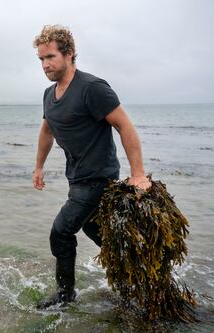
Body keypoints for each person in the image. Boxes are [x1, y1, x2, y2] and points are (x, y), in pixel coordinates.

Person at [32, 25, 152, 309]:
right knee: (95, 231)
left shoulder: (92, 88)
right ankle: (137, 274)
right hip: (76, 178)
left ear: (69, 54)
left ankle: (65, 295)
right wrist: (38, 167)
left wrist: (138, 174)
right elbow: (47, 131)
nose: (45, 64)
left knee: (61, 231)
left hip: (98, 178)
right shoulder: (49, 95)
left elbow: (125, 126)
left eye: (50, 56)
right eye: (41, 59)